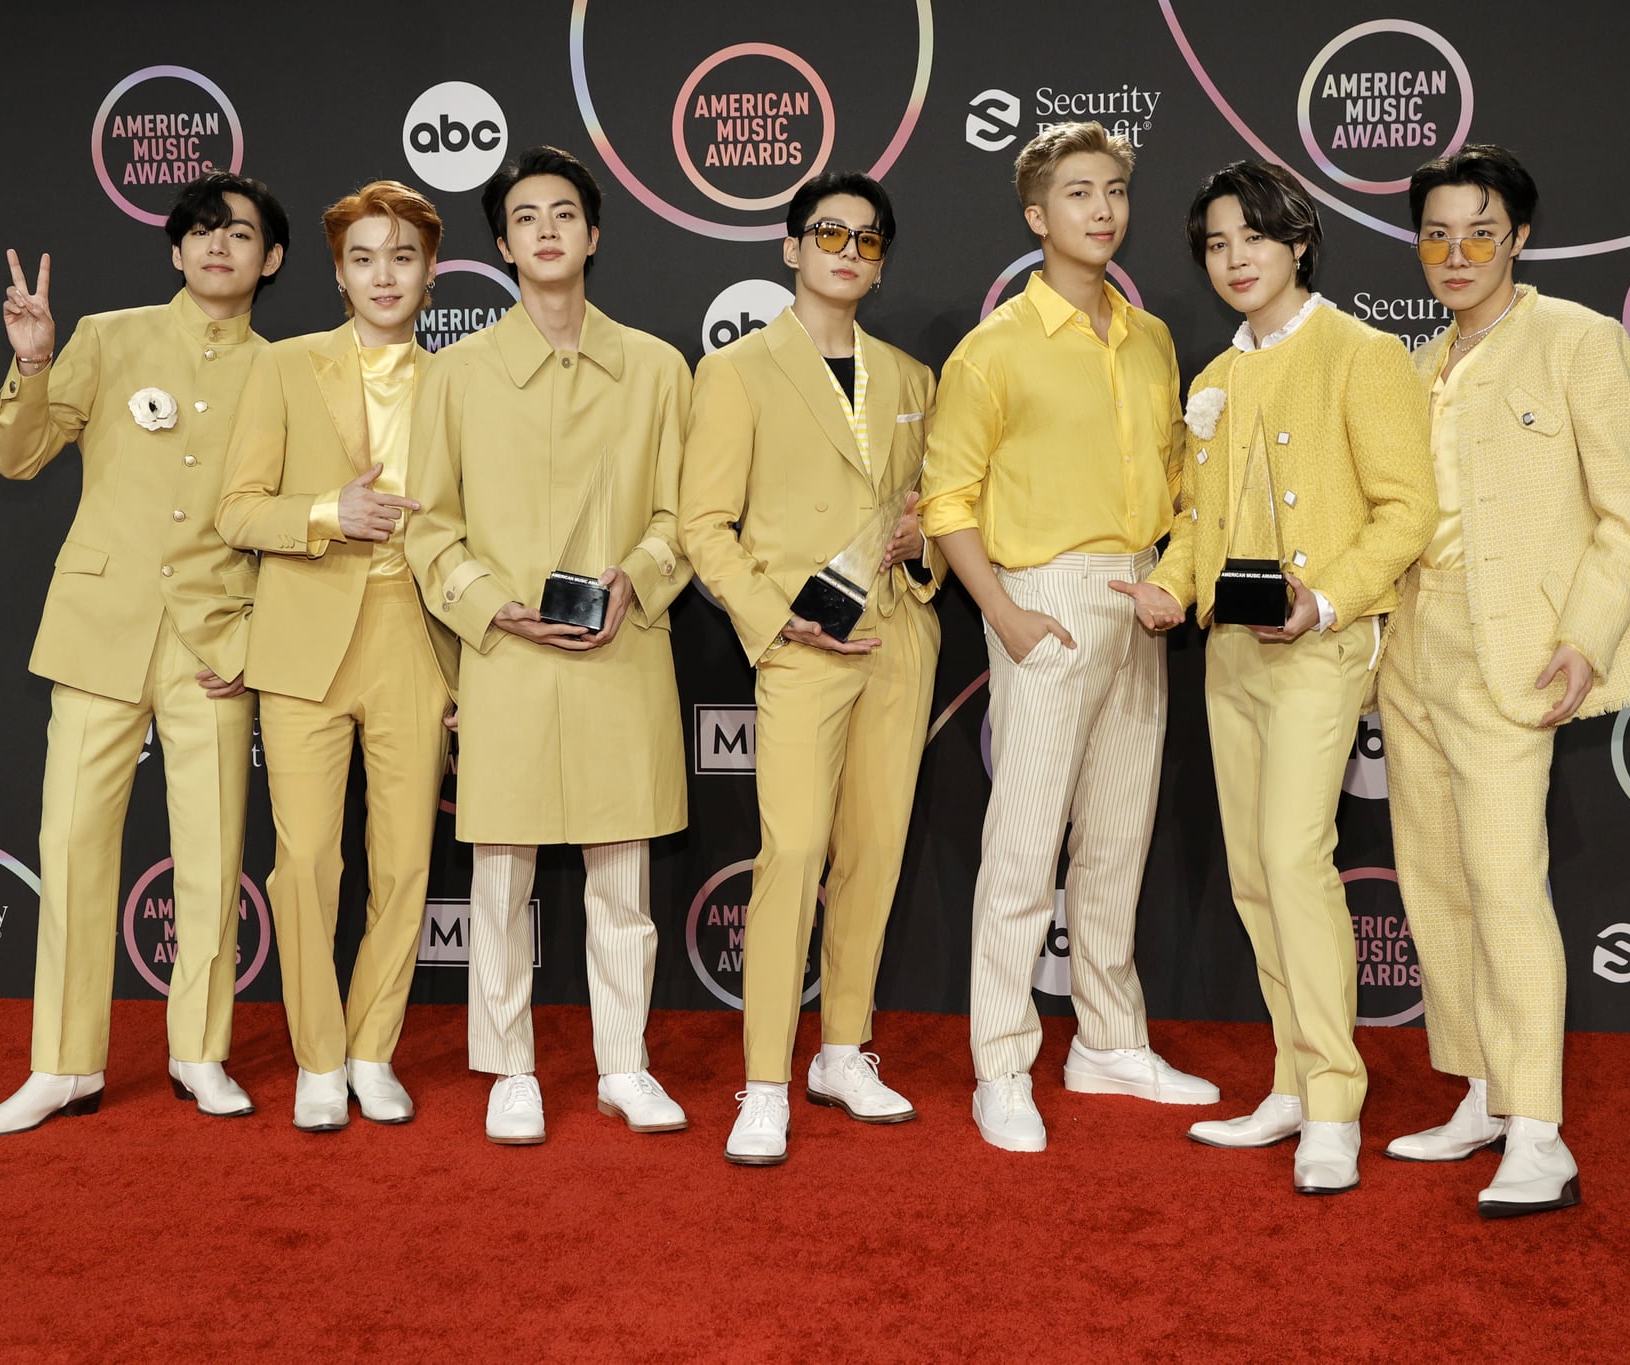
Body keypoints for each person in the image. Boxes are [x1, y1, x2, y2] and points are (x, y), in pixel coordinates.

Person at [1128, 162, 1436, 1194]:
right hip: (1226, 650)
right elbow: (1188, 519)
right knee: (1256, 872)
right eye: (1215, 245)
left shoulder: (1362, 352)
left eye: (1252, 237)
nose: (1235, 259)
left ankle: (1335, 1100)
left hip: (1320, 646)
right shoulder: (1210, 378)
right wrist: (1168, 587)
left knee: (1296, 858)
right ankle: (1292, 1081)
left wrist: (1327, 599)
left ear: (1297, 240)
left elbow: (1404, 511)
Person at [0, 172, 288, 1137]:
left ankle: (201, 1051)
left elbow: (283, 517)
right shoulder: (104, 337)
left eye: (239, 232)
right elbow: (16, 457)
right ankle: (62, 1065)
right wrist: (29, 363)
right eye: (199, 230)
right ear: (175, 249)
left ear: (270, 259)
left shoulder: (286, 369)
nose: (217, 244)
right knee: (68, 848)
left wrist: (262, 637)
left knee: (212, 856)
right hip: (99, 629)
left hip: (217, 641)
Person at [920, 121, 1217, 1156]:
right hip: (1041, 595)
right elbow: (947, 499)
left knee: (1118, 839)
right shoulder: (992, 350)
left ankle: (1107, 1039)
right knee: (1022, 846)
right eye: (1077, 193)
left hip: (1143, 596)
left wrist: (1172, 579)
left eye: (1115, 191)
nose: (1101, 209)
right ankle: (1001, 1064)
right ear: (1036, 217)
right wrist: (1002, 613)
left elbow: (1182, 484)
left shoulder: (1149, 340)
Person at [1380, 144, 1630, 1216]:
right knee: (1434, 886)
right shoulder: (1412, 364)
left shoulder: (1577, 341)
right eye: (1434, 234)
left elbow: (1623, 513)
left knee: (1503, 886)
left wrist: (1584, 637)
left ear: (1519, 238)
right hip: (1412, 652)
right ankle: (1484, 1094)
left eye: (1478, 232)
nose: (1455, 254)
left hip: (1515, 653)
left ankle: (1538, 1133)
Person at [406, 147, 692, 1145]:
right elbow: (426, 526)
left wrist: (638, 579)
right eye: (524, 217)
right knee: (501, 879)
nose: (545, 231)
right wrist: (488, 603)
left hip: (621, 650)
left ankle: (624, 1065)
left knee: (624, 880)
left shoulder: (658, 367)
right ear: (501, 243)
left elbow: (681, 515)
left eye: (563, 213)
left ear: (594, 233)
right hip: (509, 661)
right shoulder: (457, 375)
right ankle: (509, 1069)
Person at [681, 170, 941, 1166]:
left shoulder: (912, 379)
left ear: (879, 265)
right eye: (827, 232)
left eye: (867, 239)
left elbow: (934, 520)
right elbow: (704, 526)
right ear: (790, 248)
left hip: (898, 638)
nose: (846, 249)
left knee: (872, 852)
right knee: (790, 855)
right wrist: (774, 618)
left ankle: (842, 1049)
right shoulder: (738, 371)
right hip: (798, 646)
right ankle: (762, 1081)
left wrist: (917, 549)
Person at [216, 181, 455, 1131]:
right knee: (307, 858)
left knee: (402, 862)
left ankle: (372, 1049)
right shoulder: (284, 367)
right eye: (364, 258)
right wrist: (327, 513)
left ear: (431, 269)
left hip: (414, 633)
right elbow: (236, 508)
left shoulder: (462, 379)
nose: (383, 274)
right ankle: (319, 1055)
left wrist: (465, 666)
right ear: (338, 273)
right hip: (305, 632)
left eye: (401, 256)